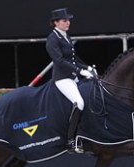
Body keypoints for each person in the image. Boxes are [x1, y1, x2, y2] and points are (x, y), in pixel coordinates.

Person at [46, 8, 95, 153]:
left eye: (68, 20)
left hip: (72, 76)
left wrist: (87, 68)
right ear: (56, 23)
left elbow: (73, 59)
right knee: (79, 102)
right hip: (62, 78)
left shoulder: (65, 36)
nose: (68, 23)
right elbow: (60, 61)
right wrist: (80, 71)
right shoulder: (52, 39)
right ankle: (70, 141)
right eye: (64, 20)